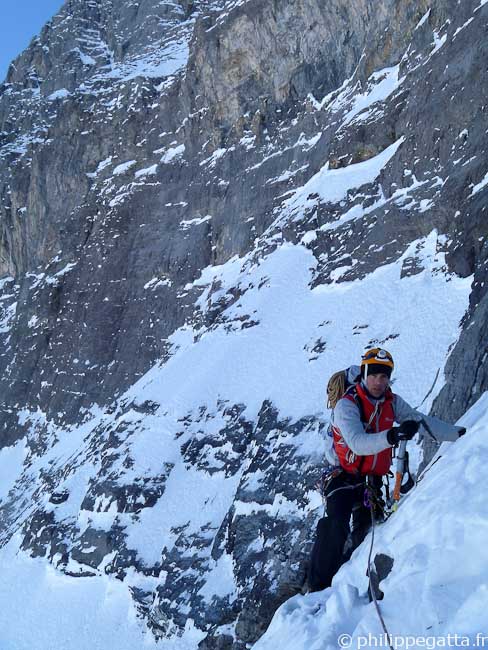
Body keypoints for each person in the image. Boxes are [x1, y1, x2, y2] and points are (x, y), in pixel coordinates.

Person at [307, 347, 466, 592]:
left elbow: (418, 420)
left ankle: (349, 580)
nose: (379, 382)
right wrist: (393, 435)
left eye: (384, 376)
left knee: (368, 533)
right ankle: (317, 588)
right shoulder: (346, 406)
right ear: (363, 374)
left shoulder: (392, 401)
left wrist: (459, 434)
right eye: (373, 375)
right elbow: (358, 444)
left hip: (371, 480)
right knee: (335, 525)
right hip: (343, 477)